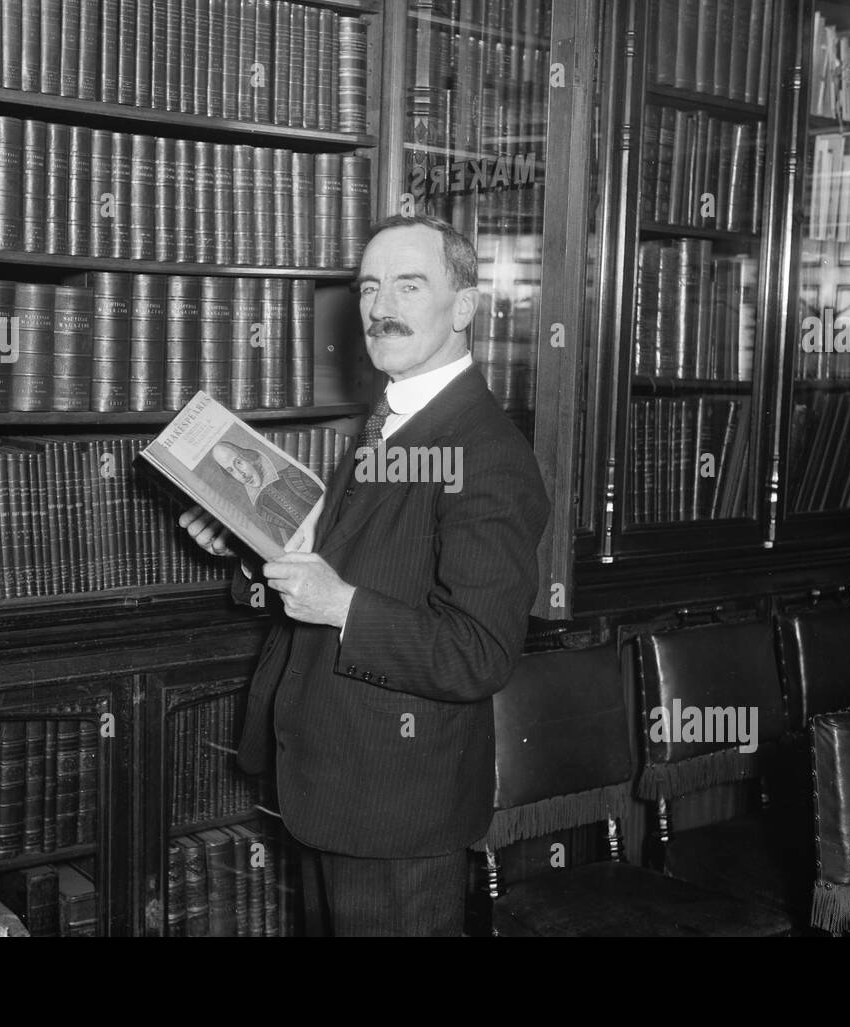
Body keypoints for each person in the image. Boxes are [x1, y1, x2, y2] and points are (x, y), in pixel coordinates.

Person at [179, 214, 550, 936]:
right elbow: (353, 560)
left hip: (396, 813)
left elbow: (479, 651)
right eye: (370, 287)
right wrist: (250, 548)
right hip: (333, 790)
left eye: (410, 285)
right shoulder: (392, 419)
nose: (382, 308)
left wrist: (341, 604)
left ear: (465, 306)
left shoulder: (487, 452)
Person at [209, 440, 323, 548]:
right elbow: (282, 549)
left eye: (238, 462)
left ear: (249, 457)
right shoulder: (261, 508)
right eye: (231, 470)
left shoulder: (294, 475)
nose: (241, 474)